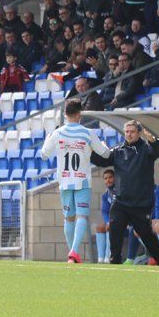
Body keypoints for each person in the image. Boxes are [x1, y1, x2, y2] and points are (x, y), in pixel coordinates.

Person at [39, 99, 111, 263]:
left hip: (65, 181)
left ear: (65, 114)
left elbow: (43, 155)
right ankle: (74, 251)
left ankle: (72, 254)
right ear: (80, 114)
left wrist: (46, 139)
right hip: (82, 181)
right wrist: (104, 145)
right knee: (81, 217)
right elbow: (106, 154)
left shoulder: (57, 133)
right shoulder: (87, 133)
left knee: (69, 218)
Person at [90, 120, 159, 266]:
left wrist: (152, 139)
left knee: (146, 236)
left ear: (139, 133)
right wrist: (91, 150)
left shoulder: (146, 149)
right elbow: (102, 161)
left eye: (132, 131)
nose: (129, 134)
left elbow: (158, 149)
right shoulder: (118, 150)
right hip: (121, 201)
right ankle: (115, 260)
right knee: (115, 229)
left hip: (141, 203)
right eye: (127, 131)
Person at [95, 169, 116, 263]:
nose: (108, 180)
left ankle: (108, 257)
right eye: (105, 178)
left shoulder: (121, 191)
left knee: (109, 227)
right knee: (99, 228)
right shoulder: (105, 195)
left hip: (123, 221)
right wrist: (108, 221)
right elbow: (104, 212)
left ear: (115, 178)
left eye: (110, 177)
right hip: (112, 221)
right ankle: (100, 259)